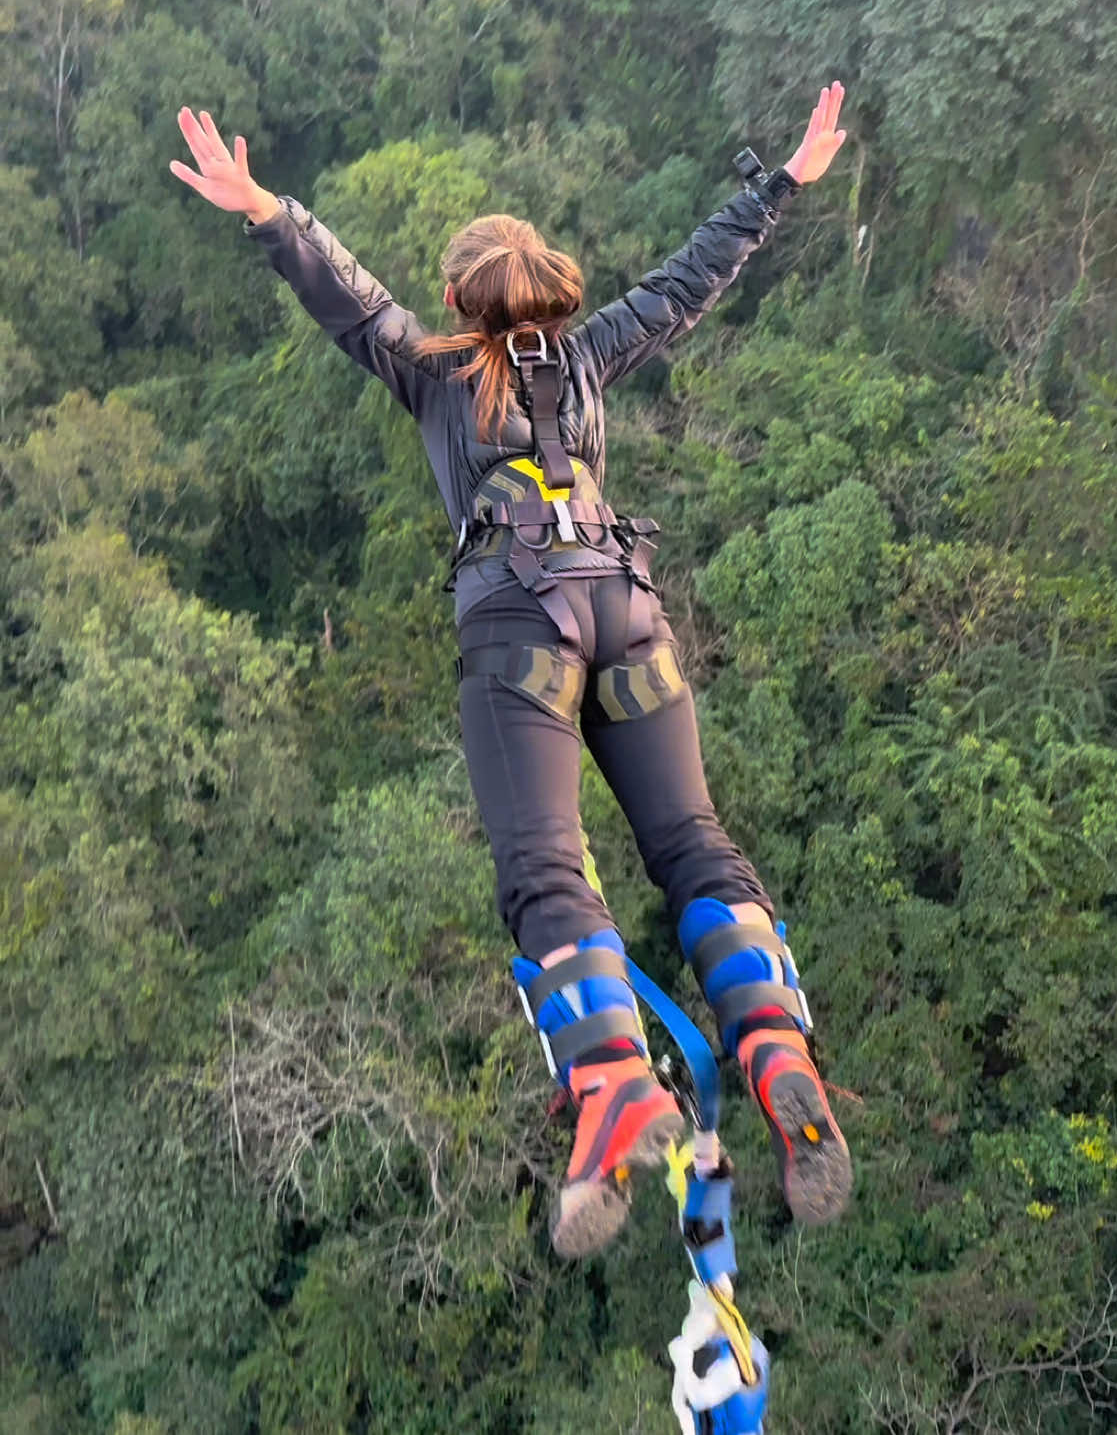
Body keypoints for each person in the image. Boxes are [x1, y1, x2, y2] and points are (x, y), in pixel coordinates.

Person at [170, 87, 853, 1257]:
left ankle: (612, 1085)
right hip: (630, 612)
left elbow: (348, 297)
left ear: (458, 302)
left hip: (521, 622)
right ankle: (774, 1041)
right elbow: (687, 281)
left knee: (545, 869)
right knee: (693, 843)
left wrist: (267, 211)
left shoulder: (434, 369)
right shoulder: (588, 358)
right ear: (547, 294)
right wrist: (778, 184)